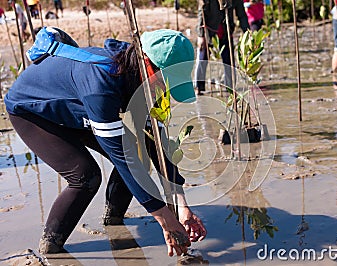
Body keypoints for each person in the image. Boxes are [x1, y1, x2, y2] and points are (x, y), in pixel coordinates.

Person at [5, 28, 207, 256]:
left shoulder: (142, 80)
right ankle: (52, 247)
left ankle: (114, 222)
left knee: (141, 151)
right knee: (85, 176)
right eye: (165, 82)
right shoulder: (102, 82)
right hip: (33, 111)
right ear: (147, 65)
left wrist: (182, 206)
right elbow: (123, 159)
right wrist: (164, 218)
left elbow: (157, 145)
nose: (165, 91)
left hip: (76, 107)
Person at [194, 0, 250, 95]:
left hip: (226, 31)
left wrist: (247, 32)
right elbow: (201, 12)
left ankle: (230, 87)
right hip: (209, 30)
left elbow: (241, 14)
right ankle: (198, 87)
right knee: (203, 58)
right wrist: (200, 35)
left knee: (229, 60)